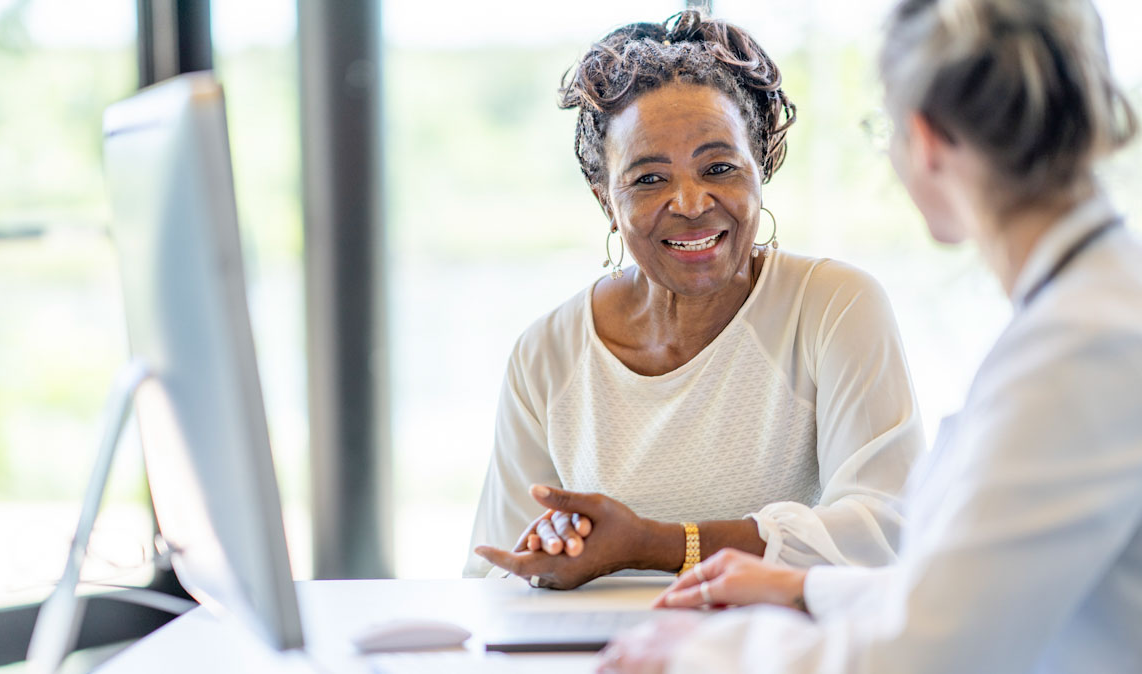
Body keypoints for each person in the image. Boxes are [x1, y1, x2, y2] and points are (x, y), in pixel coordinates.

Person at [597, 0, 1142, 671]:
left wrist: (709, 652)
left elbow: (926, 655)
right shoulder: (1095, 310)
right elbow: (979, 588)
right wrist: (807, 587)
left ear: (928, 140)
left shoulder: (1082, 348)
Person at [465, 10, 925, 590]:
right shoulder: (546, 353)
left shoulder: (835, 307)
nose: (690, 202)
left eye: (720, 167)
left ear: (762, 169)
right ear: (605, 198)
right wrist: (546, 553)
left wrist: (656, 545)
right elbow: (497, 571)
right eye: (649, 179)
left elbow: (885, 531)